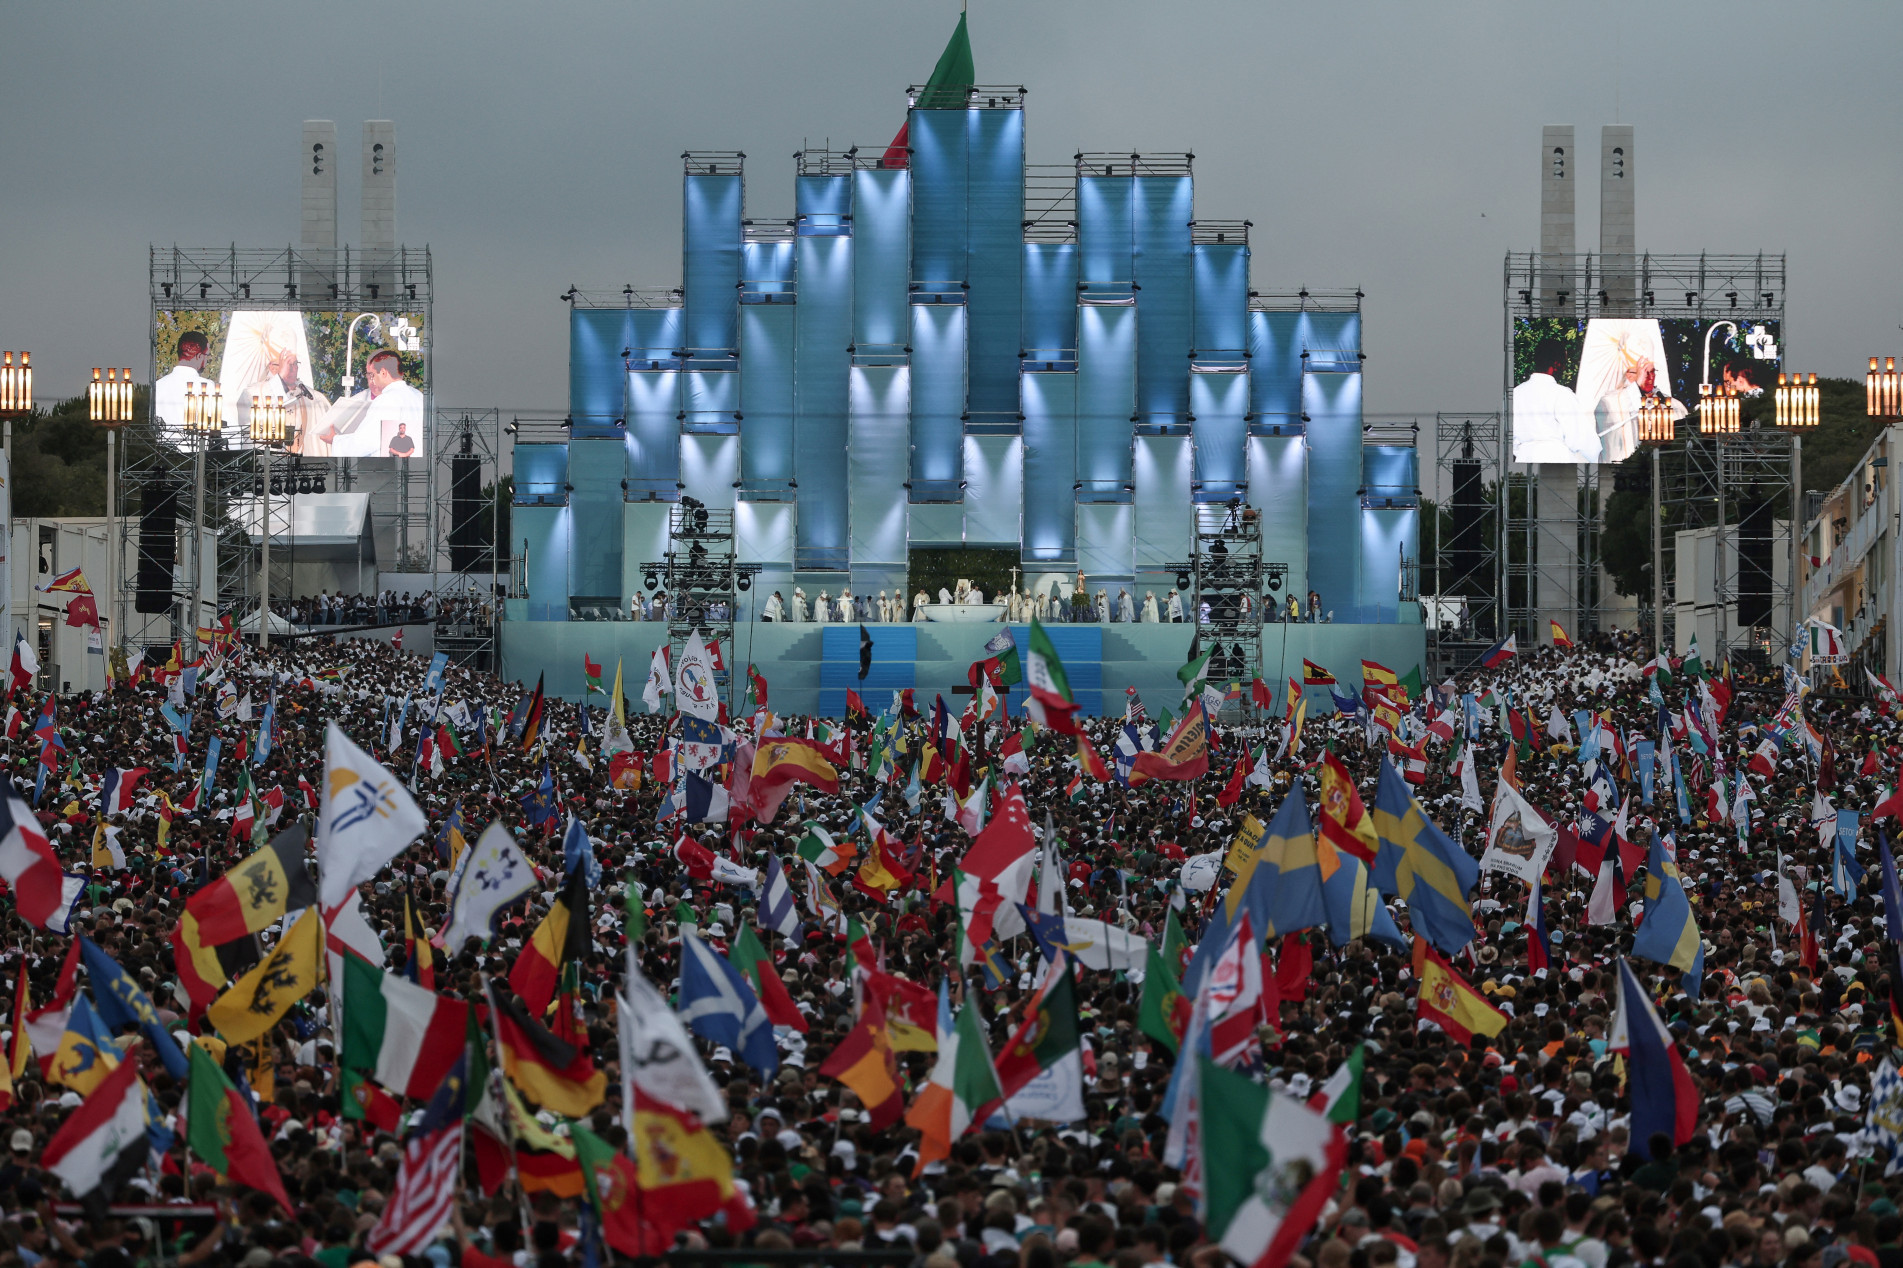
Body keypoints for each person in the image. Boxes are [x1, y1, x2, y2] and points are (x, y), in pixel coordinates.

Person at [1511, 335, 1600, 464]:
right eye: (1564, 363)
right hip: (1556, 461)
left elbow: (1510, 439)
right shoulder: (1562, 394)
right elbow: (1582, 440)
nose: (1564, 369)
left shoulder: (1515, 393)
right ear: (1557, 364)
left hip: (1523, 461)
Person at [152, 330, 216, 437]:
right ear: (199, 356)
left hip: (160, 451)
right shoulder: (207, 386)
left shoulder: (157, 386)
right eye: (207, 355)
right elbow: (213, 428)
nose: (206, 361)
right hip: (196, 451)